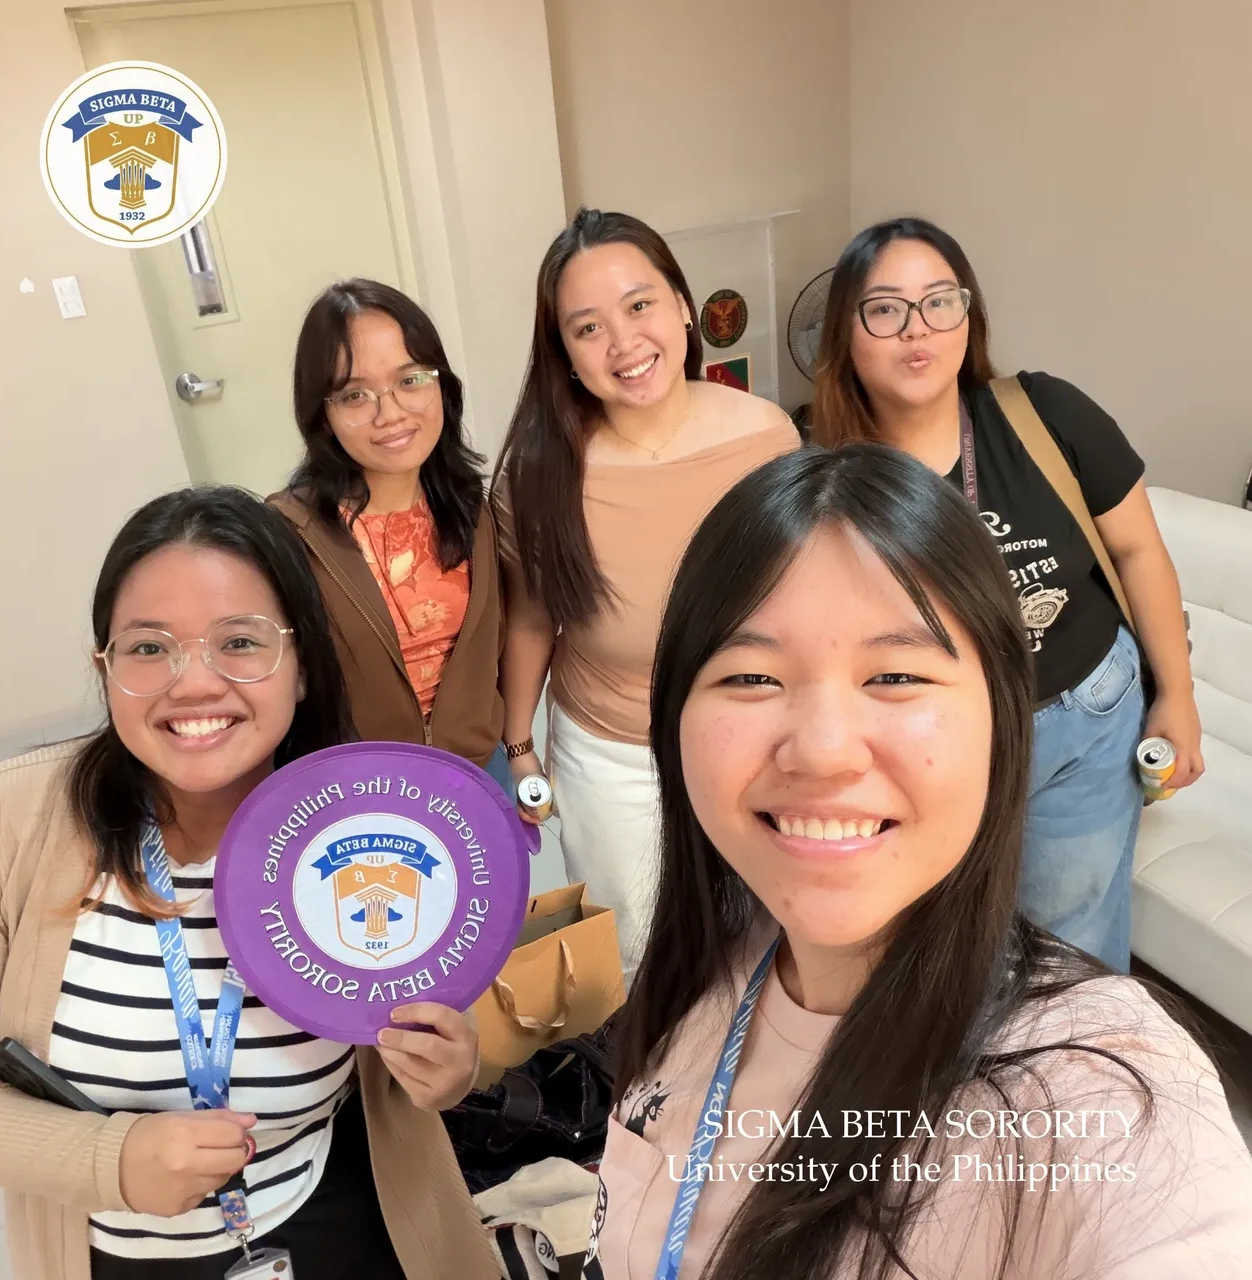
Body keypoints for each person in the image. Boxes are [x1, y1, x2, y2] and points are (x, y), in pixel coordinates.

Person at [584, 446, 1252, 1280]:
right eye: (752, 676)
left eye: (896, 674)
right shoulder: (708, 961)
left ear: (1002, 719)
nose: (823, 750)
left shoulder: (1105, 1089)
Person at [0, 487, 496, 1280]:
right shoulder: (14, 817)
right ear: (105, 669)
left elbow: (432, 1027)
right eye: (149, 648)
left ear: (303, 666)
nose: (193, 684)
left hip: (341, 1227)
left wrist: (452, 1067)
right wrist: (109, 1159)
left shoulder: (369, 827)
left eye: (240, 642)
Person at [809, 217, 1201, 973]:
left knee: (1068, 950)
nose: (917, 328)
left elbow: (1138, 551)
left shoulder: (1045, 414)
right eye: (885, 309)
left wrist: (1177, 698)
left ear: (969, 315)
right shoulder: (830, 478)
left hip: (1083, 715)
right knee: (940, 952)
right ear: (845, 334)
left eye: (939, 301)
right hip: (933, 740)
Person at [492, 208, 800, 980]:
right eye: (588, 328)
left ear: (684, 307)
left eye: (640, 305)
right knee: (640, 955)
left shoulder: (766, 437)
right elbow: (530, 617)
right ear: (564, 352)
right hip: (613, 754)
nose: (624, 342)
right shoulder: (540, 472)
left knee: (763, 938)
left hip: (751, 735)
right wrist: (520, 749)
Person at [269, 278, 509, 794]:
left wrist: (518, 749)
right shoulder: (289, 532)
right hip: (357, 791)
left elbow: (504, 649)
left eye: (410, 380)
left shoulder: (472, 507)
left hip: (477, 773)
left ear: (442, 385)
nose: (392, 413)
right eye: (355, 395)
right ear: (323, 414)